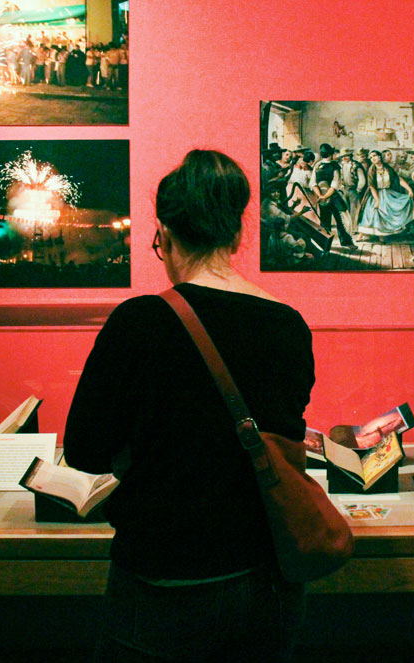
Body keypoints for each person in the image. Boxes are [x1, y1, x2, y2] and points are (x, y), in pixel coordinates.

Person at [64, 150, 314, 662]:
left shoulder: (138, 322)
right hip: (263, 575)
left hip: (161, 578)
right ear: (237, 235)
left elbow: (85, 450)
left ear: (166, 235)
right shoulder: (288, 324)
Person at [356, 150, 414, 239]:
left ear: (380, 157)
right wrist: (377, 200)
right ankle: (362, 234)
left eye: (374, 156)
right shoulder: (372, 170)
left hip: (388, 193)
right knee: (373, 211)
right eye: (371, 157)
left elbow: (398, 179)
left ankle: (382, 235)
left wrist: (409, 189)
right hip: (375, 194)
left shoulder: (388, 168)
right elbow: (372, 187)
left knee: (391, 210)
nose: (373, 158)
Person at [312, 143, 354, 246]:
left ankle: (326, 244)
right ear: (331, 154)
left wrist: (321, 196)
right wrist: (324, 196)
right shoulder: (335, 166)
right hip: (331, 196)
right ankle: (345, 242)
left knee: (326, 220)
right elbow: (335, 184)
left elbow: (313, 183)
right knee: (342, 219)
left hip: (323, 197)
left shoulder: (317, 165)